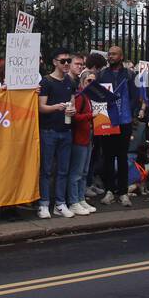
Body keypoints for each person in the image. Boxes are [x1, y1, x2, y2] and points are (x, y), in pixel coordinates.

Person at [95, 45, 144, 207]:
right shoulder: (102, 74)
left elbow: (135, 97)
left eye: (114, 54)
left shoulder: (130, 75)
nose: (111, 56)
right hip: (107, 121)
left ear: (121, 56)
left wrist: (125, 111)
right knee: (108, 156)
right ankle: (109, 190)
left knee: (122, 157)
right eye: (109, 54)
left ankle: (123, 192)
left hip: (124, 121)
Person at [38, 49, 76, 219]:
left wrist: (72, 110)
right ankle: (44, 203)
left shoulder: (70, 81)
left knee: (63, 169)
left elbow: (72, 101)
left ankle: (60, 203)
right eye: (63, 61)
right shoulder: (46, 82)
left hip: (66, 130)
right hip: (49, 130)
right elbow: (41, 107)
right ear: (55, 62)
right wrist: (56, 107)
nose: (67, 64)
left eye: (69, 60)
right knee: (46, 169)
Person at [68, 55, 96, 214]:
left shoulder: (90, 97)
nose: (91, 84)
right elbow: (75, 116)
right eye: (88, 81)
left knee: (84, 171)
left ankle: (80, 198)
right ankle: (74, 200)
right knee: (77, 172)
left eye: (93, 81)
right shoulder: (80, 96)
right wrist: (90, 116)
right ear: (82, 82)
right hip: (80, 138)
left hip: (88, 137)